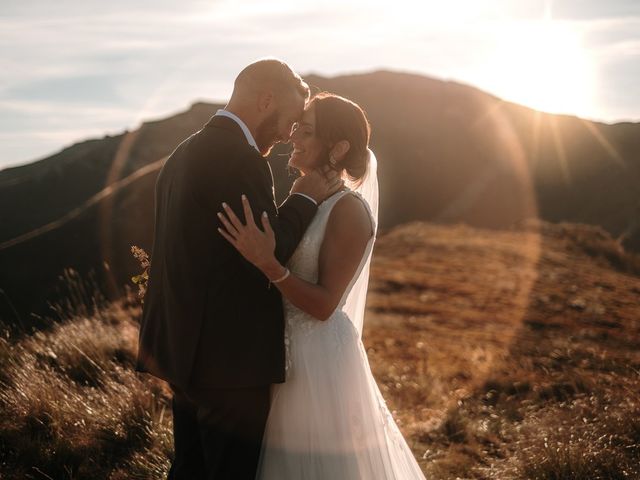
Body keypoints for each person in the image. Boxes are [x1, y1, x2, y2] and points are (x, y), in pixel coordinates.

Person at [135, 59, 343, 480]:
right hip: (228, 361)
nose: (289, 135)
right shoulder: (239, 158)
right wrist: (304, 197)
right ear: (266, 100)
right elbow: (269, 248)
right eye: (289, 121)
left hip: (182, 348)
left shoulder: (184, 152)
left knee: (190, 468)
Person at [218, 92, 427, 479]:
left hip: (317, 363)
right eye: (297, 126)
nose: (293, 136)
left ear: (339, 147)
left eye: (307, 130)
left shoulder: (348, 210)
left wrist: (267, 263)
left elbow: (325, 304)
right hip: (283, 354)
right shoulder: (307, 196)